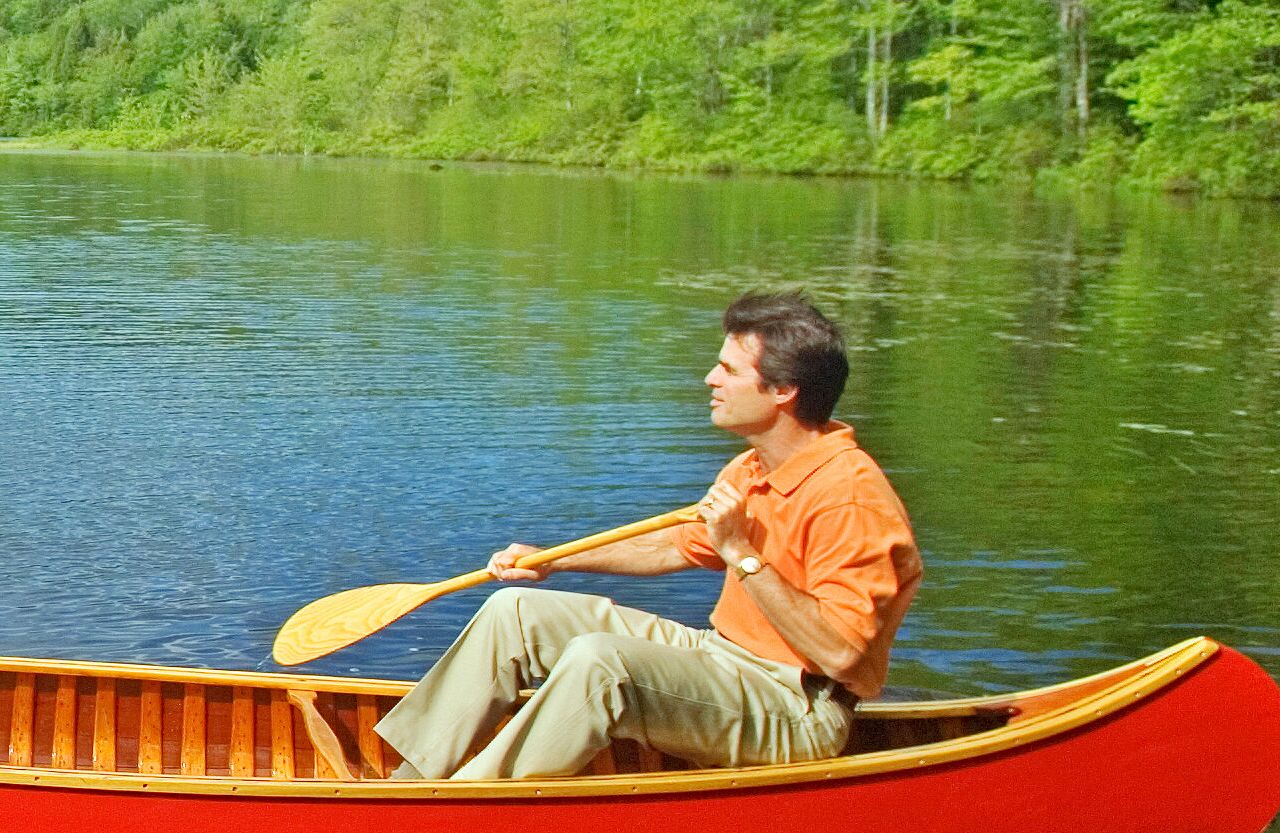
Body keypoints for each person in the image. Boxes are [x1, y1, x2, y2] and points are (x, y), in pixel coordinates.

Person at [375, 288, 919, 782]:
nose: (710, 378)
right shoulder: (753, 467)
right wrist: (554, 561)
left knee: (600, 661)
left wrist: (743, 555)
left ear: (782, 390)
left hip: (797, 707)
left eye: (729, 370)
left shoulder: (850, 496)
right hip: (723, 658)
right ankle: (410, 781)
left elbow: (845, 655)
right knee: (513, 610)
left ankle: (468, 805)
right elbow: (674, 545)